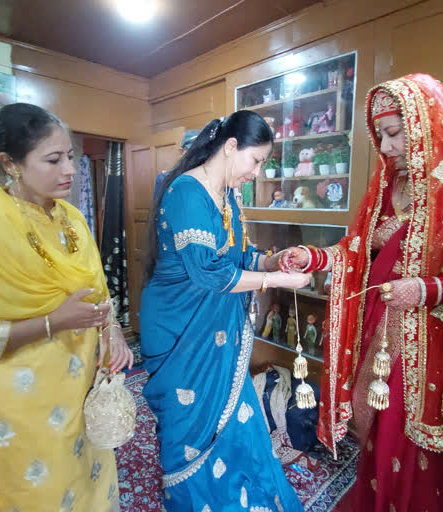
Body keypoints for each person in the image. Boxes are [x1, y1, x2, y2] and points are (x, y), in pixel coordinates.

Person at [281, 74, 443, 511]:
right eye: (381, 135)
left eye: (394, 134)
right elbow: (356, 252)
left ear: (424, 124)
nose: (384, 147)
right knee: (381, 445)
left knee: (429, 466)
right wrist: (312, 258)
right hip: (384, 341)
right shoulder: (388, 188)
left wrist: (430, 289)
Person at [0, 103, 134, 512]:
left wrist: (110, 333)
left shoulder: (73, 219)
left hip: (82, 385)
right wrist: (53, 322)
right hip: (23, 399)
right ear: (10, 163)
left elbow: (97, 289)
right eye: (54, 159)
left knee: (91, 487)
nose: (70, 170)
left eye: (71, 157)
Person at [140, 110, 310, 511]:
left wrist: (272, 262)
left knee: (237, 417)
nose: (257, 172)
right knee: (188, 428)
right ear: (231, 146)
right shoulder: (185, 191)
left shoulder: (228, 196)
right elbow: (209, 274)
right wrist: (276, 283)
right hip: (180, 328)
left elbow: (240, 255)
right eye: (256, 160)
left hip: (215, 328)